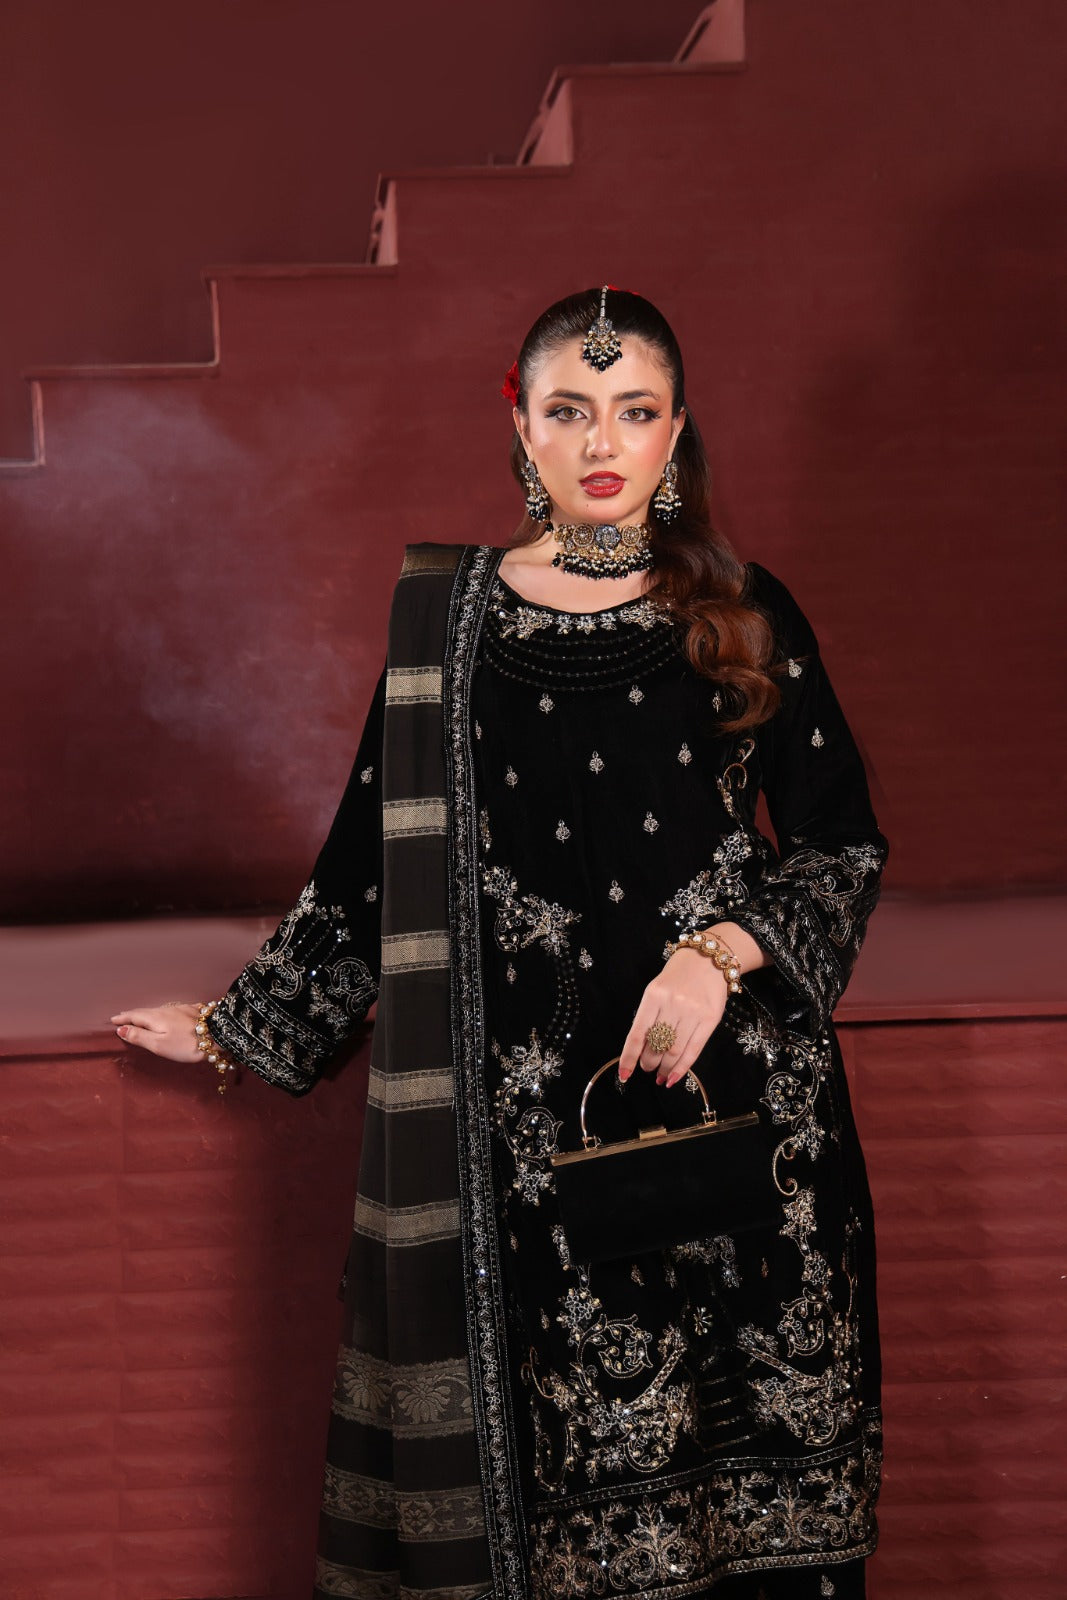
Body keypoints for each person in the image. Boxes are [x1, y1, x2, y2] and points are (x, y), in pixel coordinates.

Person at [112, 286, 889, 1600]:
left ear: (678, 429)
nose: (603, 442)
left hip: (752, 1116)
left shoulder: (747, 613)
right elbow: (370, 861)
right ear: (519, 424)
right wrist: (240, 1030)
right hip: (531, 1148)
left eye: (635, 410)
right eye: (569, 410)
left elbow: (840, 846)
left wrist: (718, 958)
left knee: (761, 1513)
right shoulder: (453, 629)